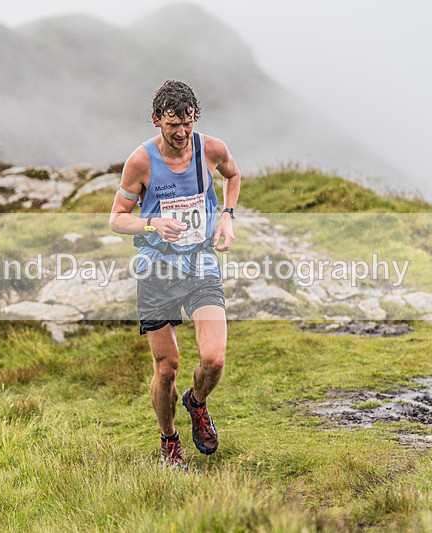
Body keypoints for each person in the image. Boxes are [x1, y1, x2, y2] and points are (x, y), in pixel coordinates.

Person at [109, 80, 241, 470]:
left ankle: (196, 403)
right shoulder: (141, 161)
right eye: (172, 125)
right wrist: (152, 224)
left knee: (214, 359)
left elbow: (234, 176)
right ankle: (169, 439)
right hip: (157, 269)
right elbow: (116, 219)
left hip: (200, 262)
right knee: (166, 368)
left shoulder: (211, 149)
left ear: (194, 117)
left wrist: (227, 217)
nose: (181, 133)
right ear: (156, 121)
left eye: (187, 122)